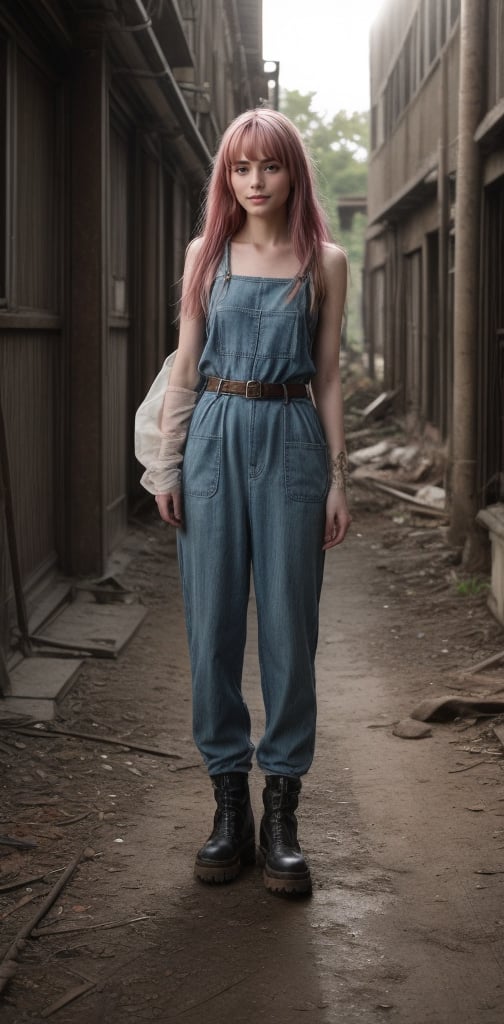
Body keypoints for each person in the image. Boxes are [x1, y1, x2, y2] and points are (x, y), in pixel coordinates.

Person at [144, 107, 351, 897]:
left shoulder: (325, 261)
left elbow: (328, 377)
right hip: (214, 441)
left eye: (270, 166)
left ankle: (283, 813)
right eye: (240, 168)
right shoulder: (207, 254)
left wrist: (339, 477)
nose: (255, 182)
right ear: (226, 177)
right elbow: (187, 368)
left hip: (294, 436)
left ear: (294, 172)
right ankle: (228, 807)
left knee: (292, 633)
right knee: (212, 628)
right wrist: (167, 468)